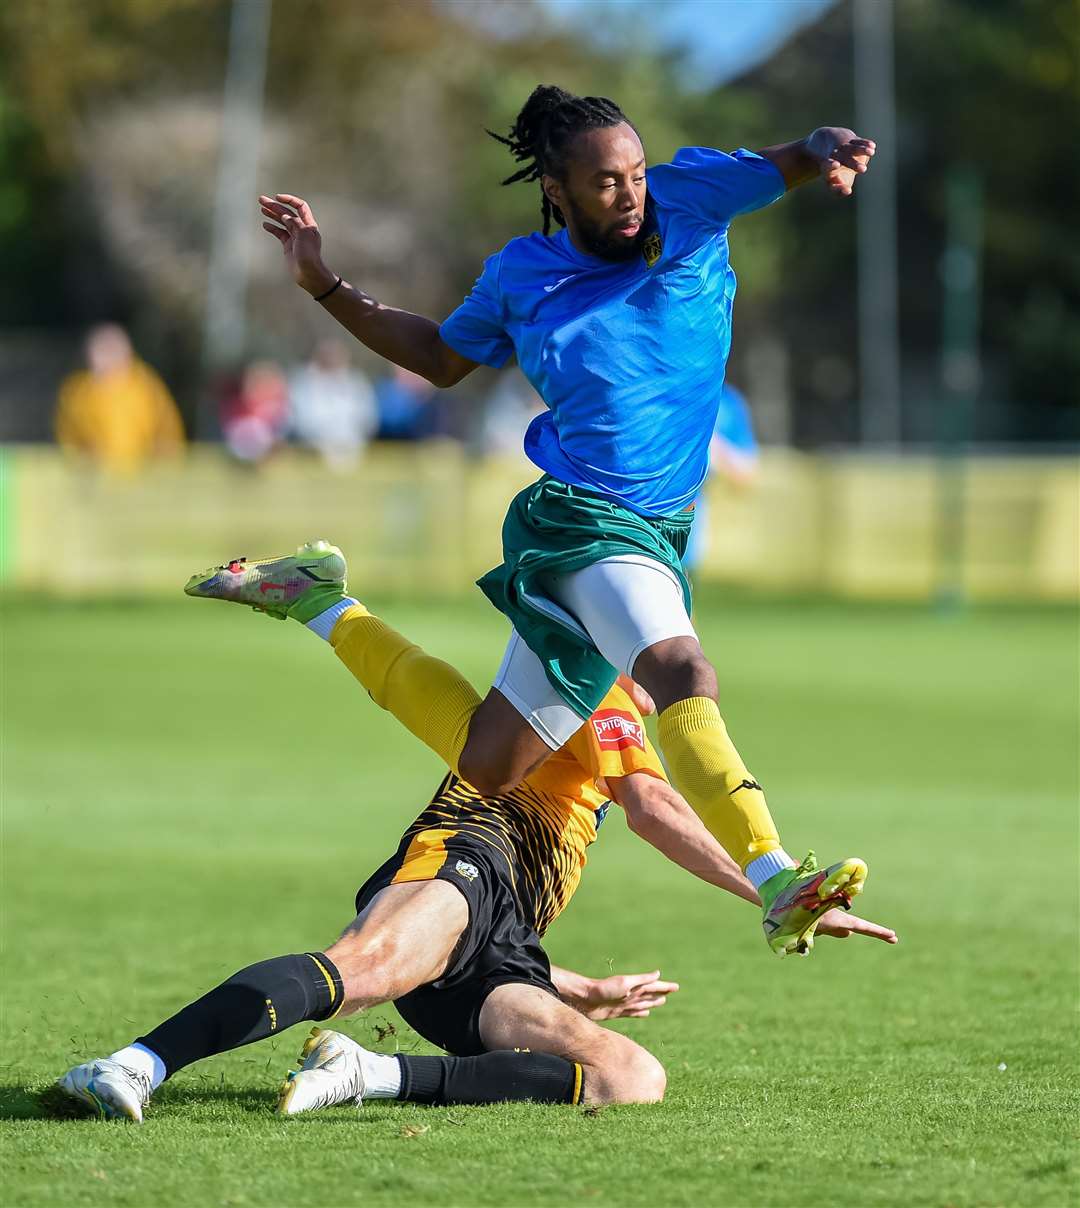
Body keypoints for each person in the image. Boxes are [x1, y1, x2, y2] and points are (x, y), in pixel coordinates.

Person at [257, 85, 878, 956]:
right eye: (605, 182)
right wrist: (324, 283)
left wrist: (832, 145)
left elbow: (800, 152)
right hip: (586, 520)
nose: (630, 195)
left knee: (489, 762)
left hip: (654, 530)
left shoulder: (691, 195)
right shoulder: (522, 274)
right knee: (680, 667)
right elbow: (438, 359)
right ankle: (778, 878)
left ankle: (320, 604)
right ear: (557, 188)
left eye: (633, 173)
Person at [52, 544, 896, 1123]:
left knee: (629, 1076)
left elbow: (424, 694)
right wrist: (774, 888)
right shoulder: (598, 686)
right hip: (468, 852)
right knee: (368, 966)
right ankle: (133, 1065)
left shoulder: (585, 698)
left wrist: (577, 986)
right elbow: (654, 807)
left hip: (500, 939)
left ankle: (367, 1074)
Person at [54, 324, 184, 476]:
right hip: (97, 478)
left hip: (143, 476)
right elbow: (68, 436)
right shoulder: (76, 392)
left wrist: (166, 466)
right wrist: (79, 465)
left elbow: (167, 429)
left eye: (111, 351)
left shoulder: (146, 385)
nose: (104, 359)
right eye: (100, 352)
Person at [681, 382, 759, 577]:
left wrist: (713, 447)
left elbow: (745, 475)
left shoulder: (728, 402)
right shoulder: (659, 383)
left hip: (689, 515)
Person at [289, 340, 378, 470]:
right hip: (315, 448)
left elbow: (367, 417)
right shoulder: (304, 383)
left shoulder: (355, 381)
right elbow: (302, 420)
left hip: (353, 445)